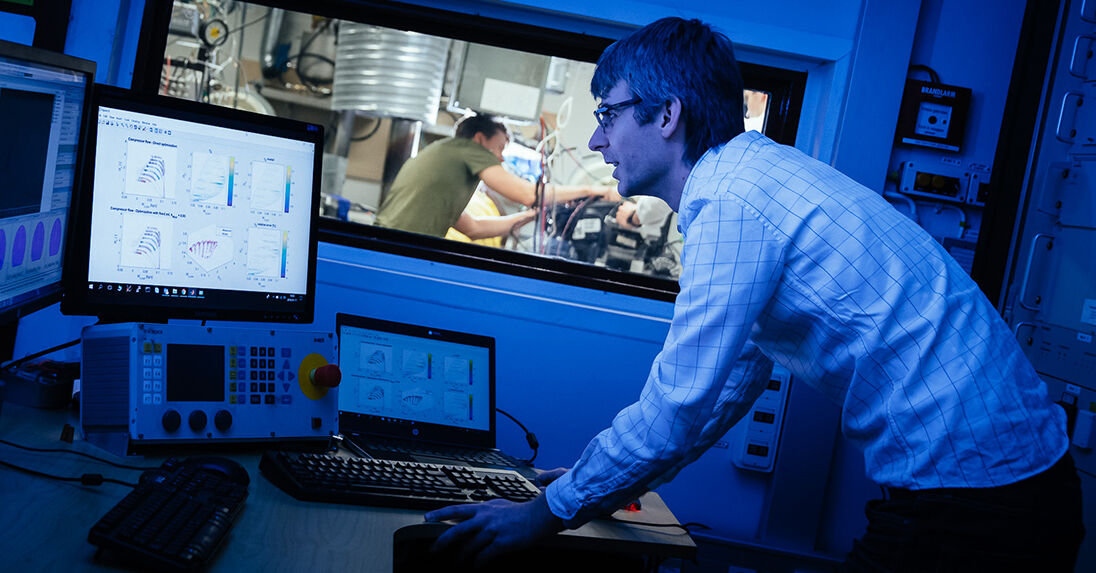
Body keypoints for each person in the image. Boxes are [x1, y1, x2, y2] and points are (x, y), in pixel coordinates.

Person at [424, 17, 1083, 571]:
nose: (597, 139)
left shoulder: (734, 202)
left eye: (608, 114)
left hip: (981, 500)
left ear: (668, 115)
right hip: (999, 487)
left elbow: (678, 402)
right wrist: (579, 488)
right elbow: (727, 388)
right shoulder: (745, 183)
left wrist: (546, 515)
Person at [375, 113, 613, 239]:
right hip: (397, 245)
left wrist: (533, 216)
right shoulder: (468, 150)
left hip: (389, 242)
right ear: (479, 140)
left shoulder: (447, 156)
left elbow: (474, 228)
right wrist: (593, 190)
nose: (500, 158)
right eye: (499, 148)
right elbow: (529, 194)